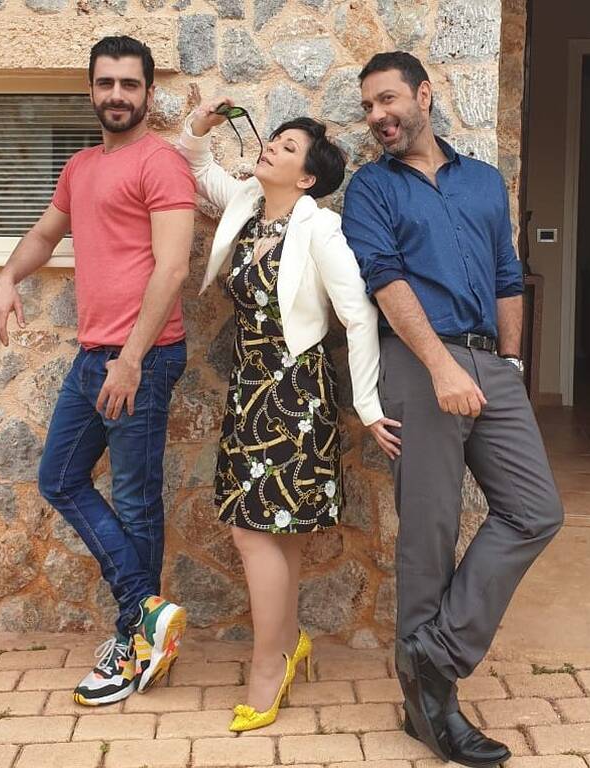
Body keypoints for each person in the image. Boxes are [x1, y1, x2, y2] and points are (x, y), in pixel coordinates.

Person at [342, 51, 564, 767]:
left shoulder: (484, 181)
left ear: (424, 95)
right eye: (368, 106)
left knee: (535, 510)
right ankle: (430, 711)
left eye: (387, 100)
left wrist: (511, 366)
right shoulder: (371, 189)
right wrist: (440, 367)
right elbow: (385, 280)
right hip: (419, 363)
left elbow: (506, 274)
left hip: (490, 364)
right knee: (429, 533)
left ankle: (430, 656)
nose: (377, 116)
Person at [177, 99, 400, 732]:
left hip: (295, 391)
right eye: (273, 138)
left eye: (288, 146)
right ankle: (290, 641)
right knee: (276, 532)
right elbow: (198, 166)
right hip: (249, 383)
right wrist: (201, 124)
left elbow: (358, 316)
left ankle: (267, 665)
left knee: (254, 531)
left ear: (306, 178)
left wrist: (368, 405)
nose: (271, 146)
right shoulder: (248, 202)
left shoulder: (319, 229)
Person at [0, 35, 196, 707]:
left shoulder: (161, 163)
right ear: (91, 90)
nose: (117, 94)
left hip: (142, 358)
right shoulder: (80, 167)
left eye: (129, 84)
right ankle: (147, 614)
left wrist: (131, 360)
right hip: (92, 357)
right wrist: (7, 277)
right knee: (59, 477)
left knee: (135, 500)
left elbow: (173, 267)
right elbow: (46, 234)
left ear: (148, 93)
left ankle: (138, 641)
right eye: (106, 83)